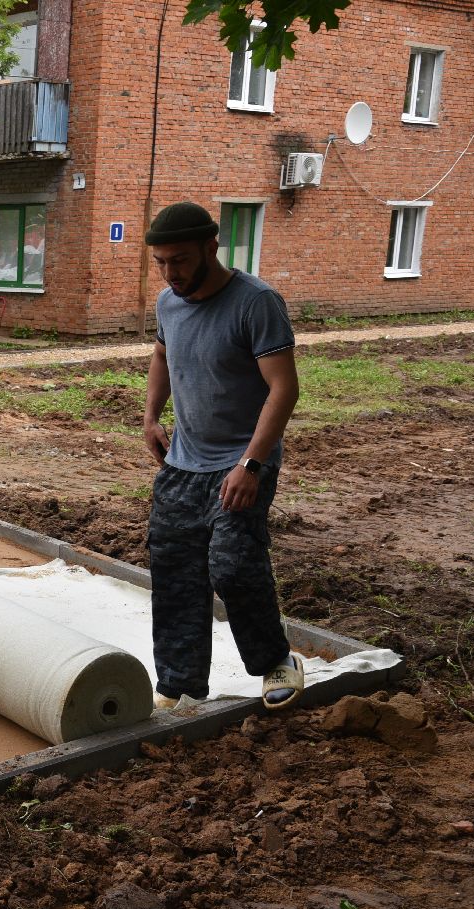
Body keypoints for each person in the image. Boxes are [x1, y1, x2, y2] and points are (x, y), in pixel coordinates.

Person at [142, 201, 304, 711]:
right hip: (183, 464)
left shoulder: (255, 302)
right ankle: (180, 682)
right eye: (161, 262)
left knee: (232, 567)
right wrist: (151, 417)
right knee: (174, 570)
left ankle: (276, 661)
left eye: (181, 260)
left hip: (242, 461)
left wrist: (251, 464)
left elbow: (284, 389)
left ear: (212, 247)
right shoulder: (168, 303)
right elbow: (162, 354)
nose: (171, 273)